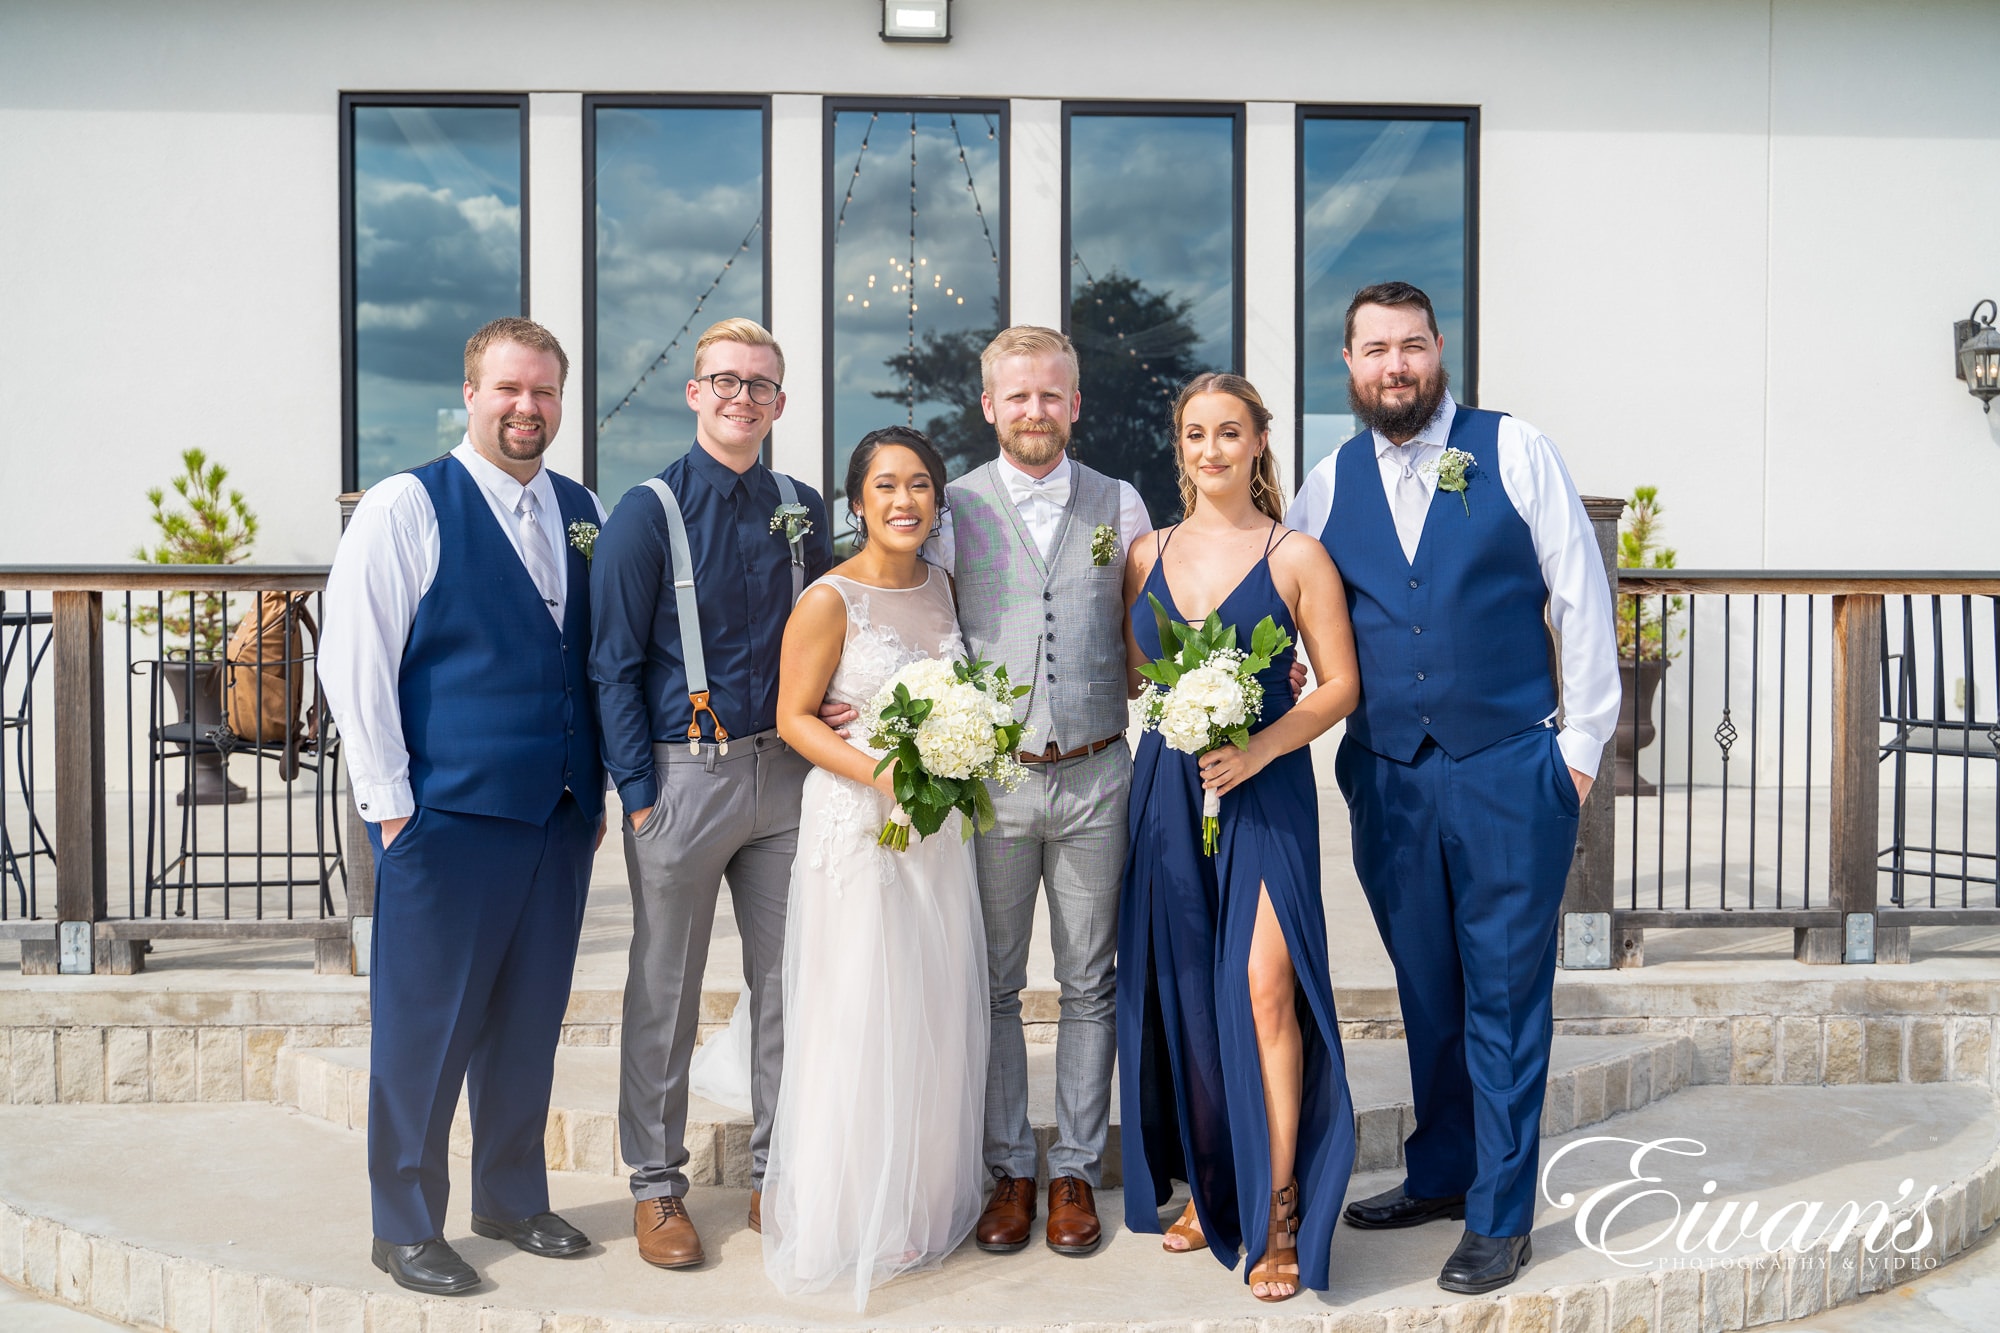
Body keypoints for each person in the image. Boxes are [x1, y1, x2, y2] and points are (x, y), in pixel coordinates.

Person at [1286, 282, 1618, 1294]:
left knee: (1505, 994)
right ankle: (1438, 1171)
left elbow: (1578, 590)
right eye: (1374, 349)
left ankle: (1500, 1210)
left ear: (1440, 353)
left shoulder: (1512, 448)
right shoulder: (1326, 480)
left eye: (1412, 346)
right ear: (1347, 366)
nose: (1395, 366)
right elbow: (1292, 608)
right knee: (1426, 988)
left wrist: (1578, 747)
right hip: (1386, 777)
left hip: (1509, 769)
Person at [319, 317, 606, 1296]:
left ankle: (510, 1196)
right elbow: (354, 659)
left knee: (527, 1019)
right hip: (445, 818)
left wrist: (596, 788)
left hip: (558, 817)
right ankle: (401, 1221)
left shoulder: (582, 509)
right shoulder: (409, 505)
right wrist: (391, 810)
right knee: (425, 1026)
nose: (527, 408)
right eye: (508, 390)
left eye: (544, 393)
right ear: (471, 392)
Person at [588, 318, 833, 1270]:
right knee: (665, 990)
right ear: (695, 393)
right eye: (724, 381)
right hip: (683, 775)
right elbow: (610, 662)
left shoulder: (804, 506)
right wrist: (639, 795)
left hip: (787, 774)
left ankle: (778, 1172)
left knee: (787, 985)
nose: (742, 397)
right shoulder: (647, 511)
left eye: (760, 385)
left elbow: (833, 624)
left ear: (780, 403)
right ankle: (656, 1186)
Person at [1117, 373, 1361, 1302]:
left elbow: (1338, 685)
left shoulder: (1297, 554)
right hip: (1169, 792)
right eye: (1194, 433)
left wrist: (1255, 745)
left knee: (1264, 988)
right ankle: (1215, 1185)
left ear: (1260, 441)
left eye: (1229, 432)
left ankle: (1282, 1201)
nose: (1211, 449)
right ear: (1177, 447)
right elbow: (1136, 676)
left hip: (1266, 788)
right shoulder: (1143, 554)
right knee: (1185, 993)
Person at [934, 326, 1152, 1256]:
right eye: (1017, 396)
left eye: (1051, 395)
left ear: (1075, 402)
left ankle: (1073, 1170)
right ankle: (1008, 1168)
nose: (1035, 411)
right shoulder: (948, 506)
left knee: (1091, 981)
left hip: (1101, 770)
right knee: (992, 984)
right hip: (994, 785)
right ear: (989, 406)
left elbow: (1151, 625)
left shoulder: (1122, 500)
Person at [762, 427, 988, 1308]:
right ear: (856, 501)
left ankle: (921, 1200)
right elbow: (795, 718)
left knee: (930, 1000)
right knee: (860, 1005)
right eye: (887, 486)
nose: (906, 501)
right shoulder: (829, 599)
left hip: (935, 830)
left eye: (921, 485)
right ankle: (850, 1210)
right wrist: (882, 769)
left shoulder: (944, 585)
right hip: (860, 823)